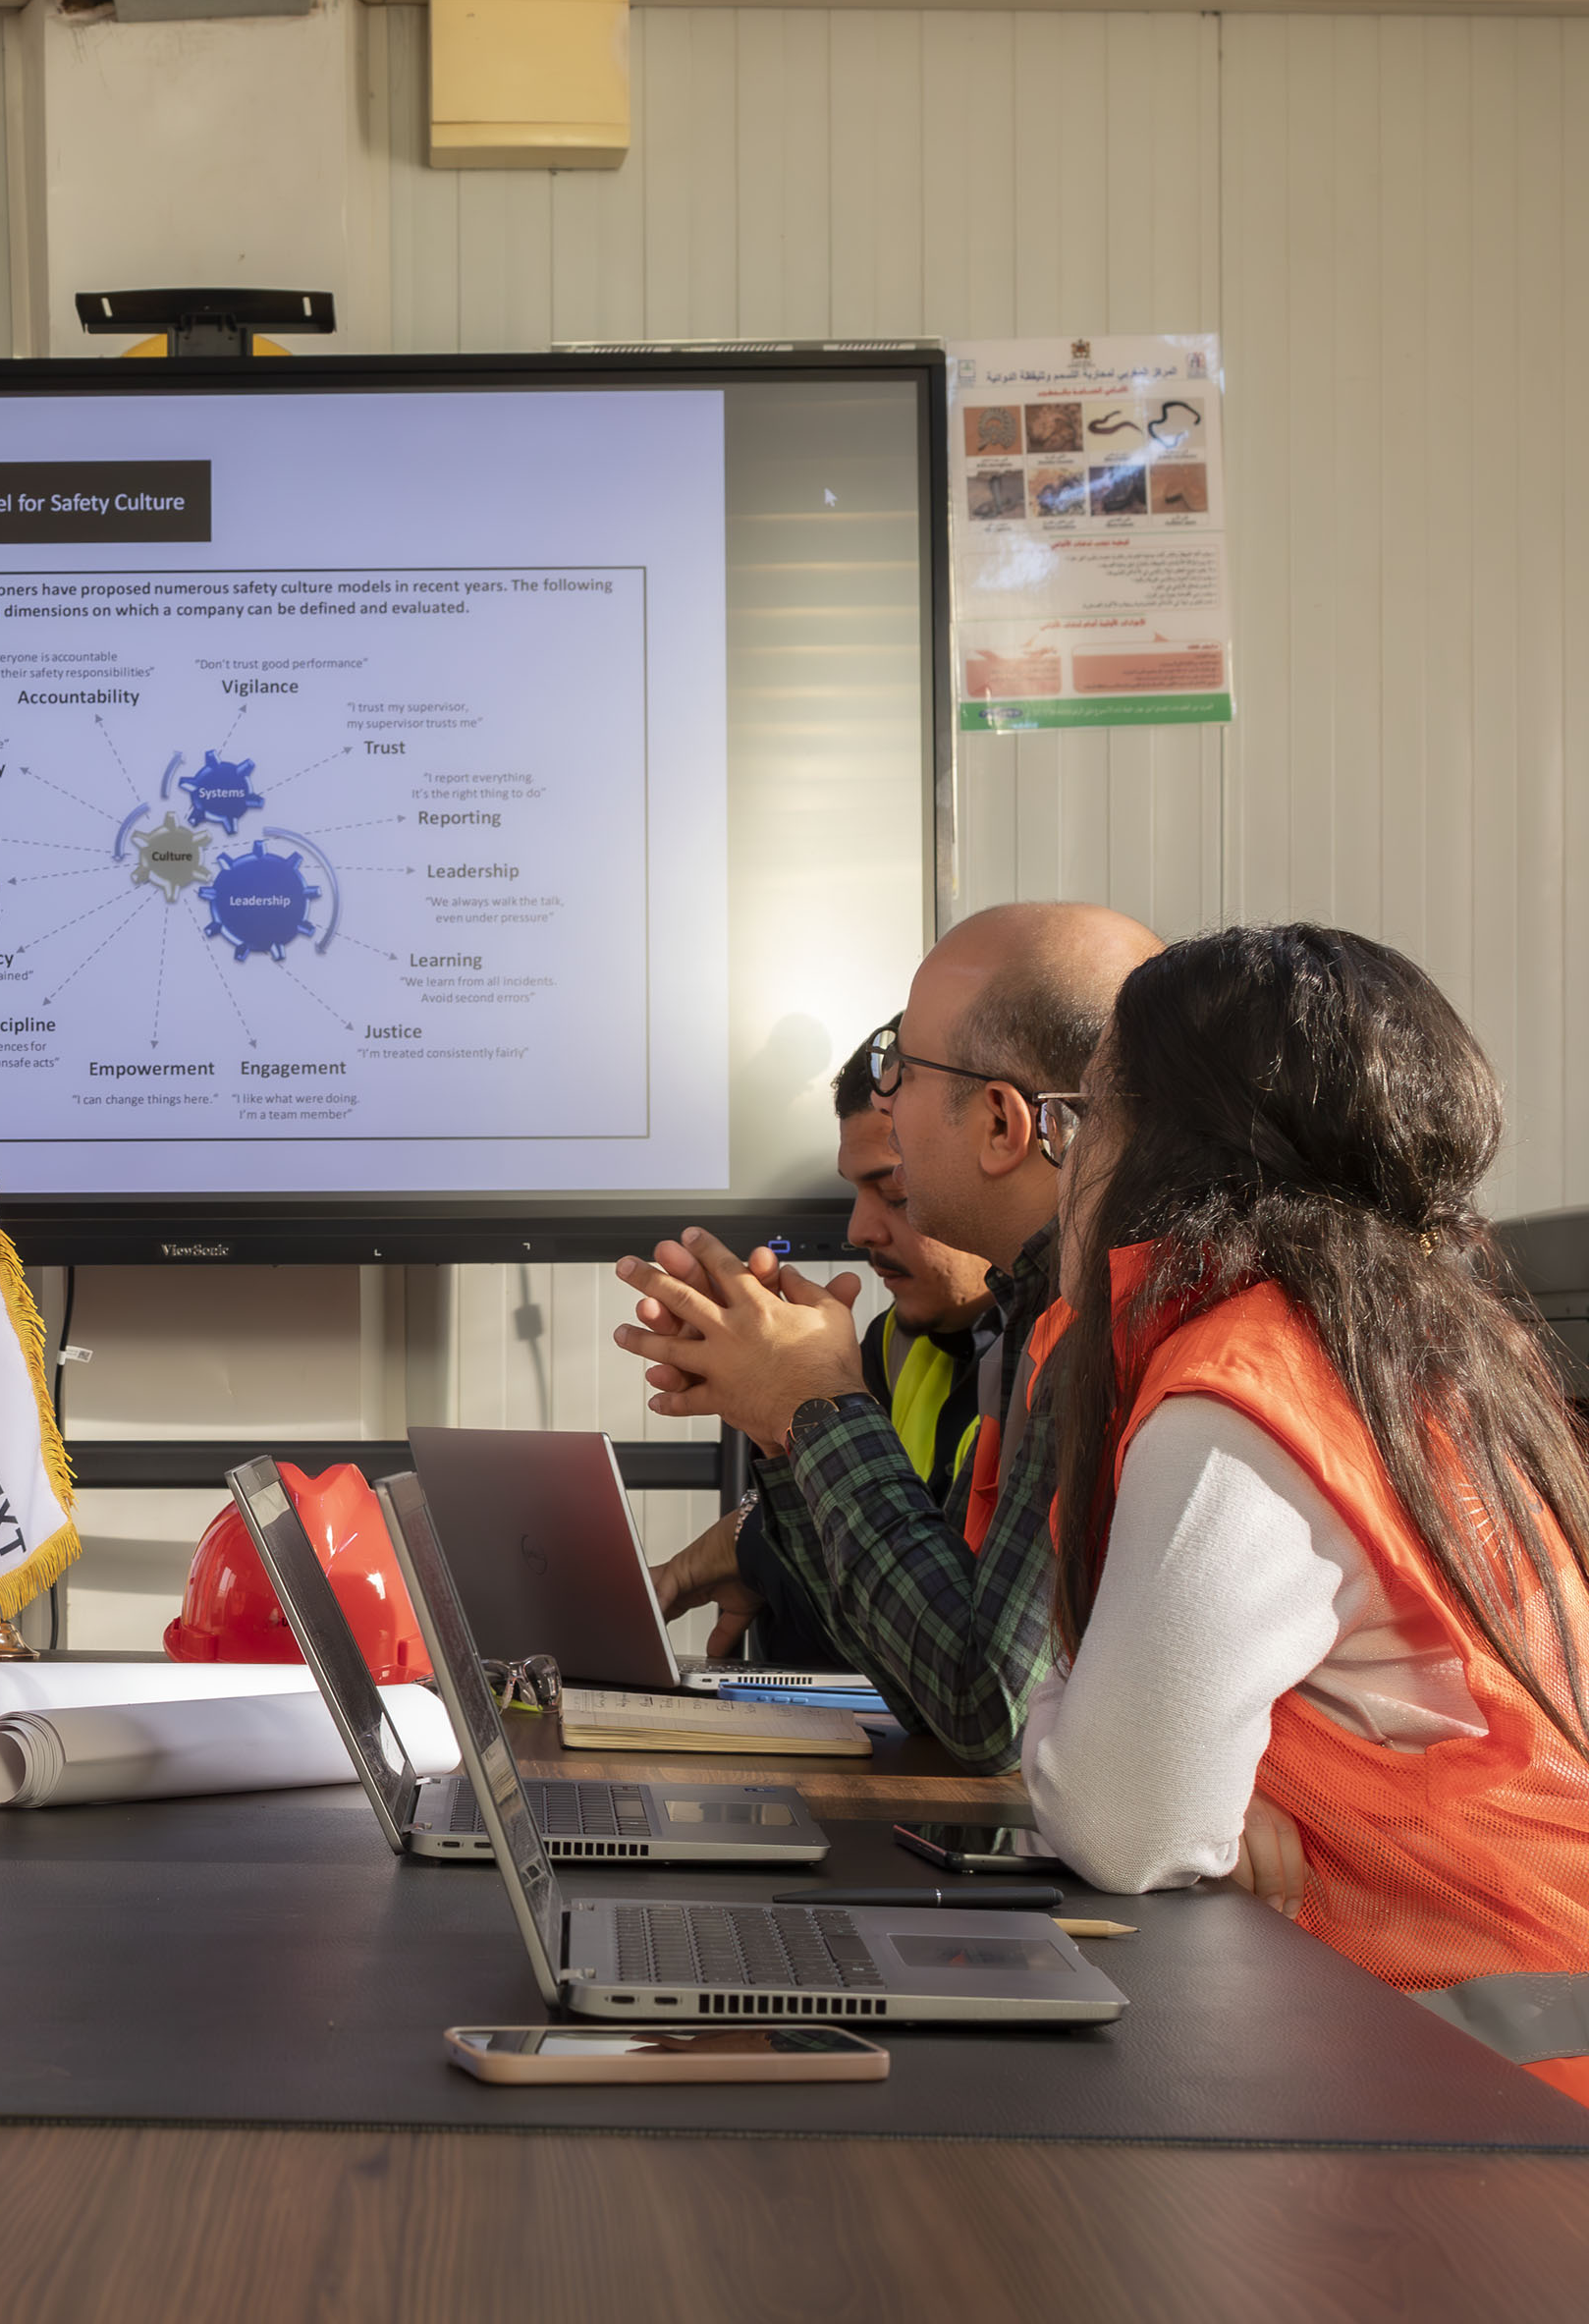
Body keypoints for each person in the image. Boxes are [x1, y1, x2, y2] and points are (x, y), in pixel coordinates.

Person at [1023, 925, 1589, 2103]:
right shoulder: (1429, 1357)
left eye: (1083, 1118)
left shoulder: (1251, 1385)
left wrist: (1092, 1745)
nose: (1067, 1167)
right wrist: (1225, 1796)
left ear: (1162, 1144)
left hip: (1472, 2103)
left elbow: (1125, 1818)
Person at [612, 901, 1160, 1765]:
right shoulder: (1045, 1305)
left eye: (903, 1072)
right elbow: (925, 1676)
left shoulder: (1114, 1321)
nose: (888, 1099)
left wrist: (818, 1405)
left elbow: (987, 1712)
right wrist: (787, 1428)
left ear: (1001, 1122)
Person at [648, 1024, 998, 1663]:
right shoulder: (891, 1343)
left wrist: (808, 1406)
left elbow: (962, 1670)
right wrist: (779, 1441)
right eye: (855, 1192)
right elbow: (872, 1601)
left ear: (1003, 1140)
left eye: (897, 1192)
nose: (860, 1229)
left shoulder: (1065, 1362)